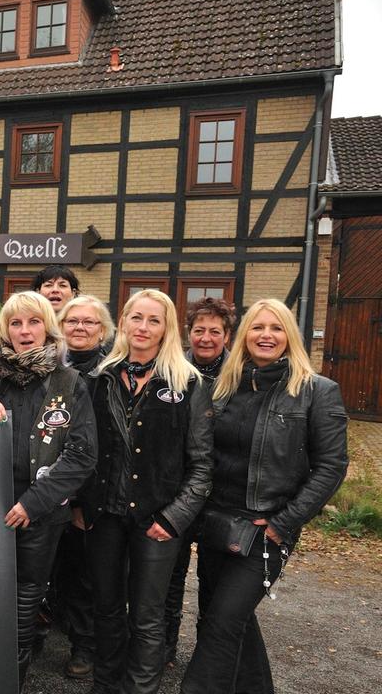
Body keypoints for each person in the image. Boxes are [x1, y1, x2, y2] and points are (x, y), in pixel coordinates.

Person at [181, 300, 348, 694]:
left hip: (265, 529)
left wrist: (284, 523)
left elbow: (331, 467)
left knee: (222, 624)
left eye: (276, 327)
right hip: (216, 524)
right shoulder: (224, 386)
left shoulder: (315, 391)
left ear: (290, 336)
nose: (266, 335)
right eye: (258, 328)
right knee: (222, 619)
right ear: (245, 336)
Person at [0, 291, 97, 692]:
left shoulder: (69, 381)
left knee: (24, 599)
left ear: (47, 327)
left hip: (40, 511)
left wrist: (32, 503)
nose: (25, 331)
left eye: (33, 322)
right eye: (16, 323)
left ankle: (12, 680)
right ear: (5, 329)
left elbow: (82, 455)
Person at [81, 290, 213, 694]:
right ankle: (105, 685)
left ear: (166, 328)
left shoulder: (188, 382)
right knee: (105, 609)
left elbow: (203, 464)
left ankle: (140, 689)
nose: (143, 327)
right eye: (136, 317)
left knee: (147, 616)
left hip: (157, 518)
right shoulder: (99, 378)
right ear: (123, 321)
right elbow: (84, 449)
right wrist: (81, 505)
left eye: (153, 320)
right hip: (104, 515)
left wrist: (174, 518)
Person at [163, 296, 235, 667]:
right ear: (188, 333)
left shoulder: (239, 376)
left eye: (215, 331)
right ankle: (166, 651)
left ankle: (208, 658)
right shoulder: (173, 370)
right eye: (199, 330)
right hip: (180, 491)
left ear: (227, 335)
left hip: (223, 494)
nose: (206, 338)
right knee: (170, 577)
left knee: (214, 580)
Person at [49, 293, 115, 679]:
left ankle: (85, 647)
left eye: (89, 322)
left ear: (103, 330)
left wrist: (84, 499)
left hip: (94, 489)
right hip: (53, 484)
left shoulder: (112, 372)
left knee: (87, 576)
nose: (80, 328)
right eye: (72, 321)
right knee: (58, 570)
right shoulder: (51, 367)